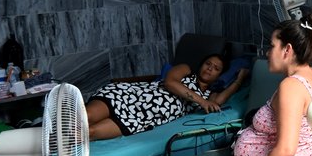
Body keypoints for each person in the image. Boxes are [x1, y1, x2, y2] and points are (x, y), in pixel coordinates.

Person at [178, 18, 312, 156]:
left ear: (287, 50)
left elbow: (285, 151)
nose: (267, 52)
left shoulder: (292, 87)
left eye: (272, 46)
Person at [86, 54, 247, 141]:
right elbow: (170, 82)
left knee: (90, 132)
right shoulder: (186, 70)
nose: (210, 68)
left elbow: (219, 101)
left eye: (216, 68)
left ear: (220, 75)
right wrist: (200, 101)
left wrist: (239, 79)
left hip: (142, 119)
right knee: (86, 118)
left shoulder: (210, 96)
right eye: (208, 64)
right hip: (128, 96)